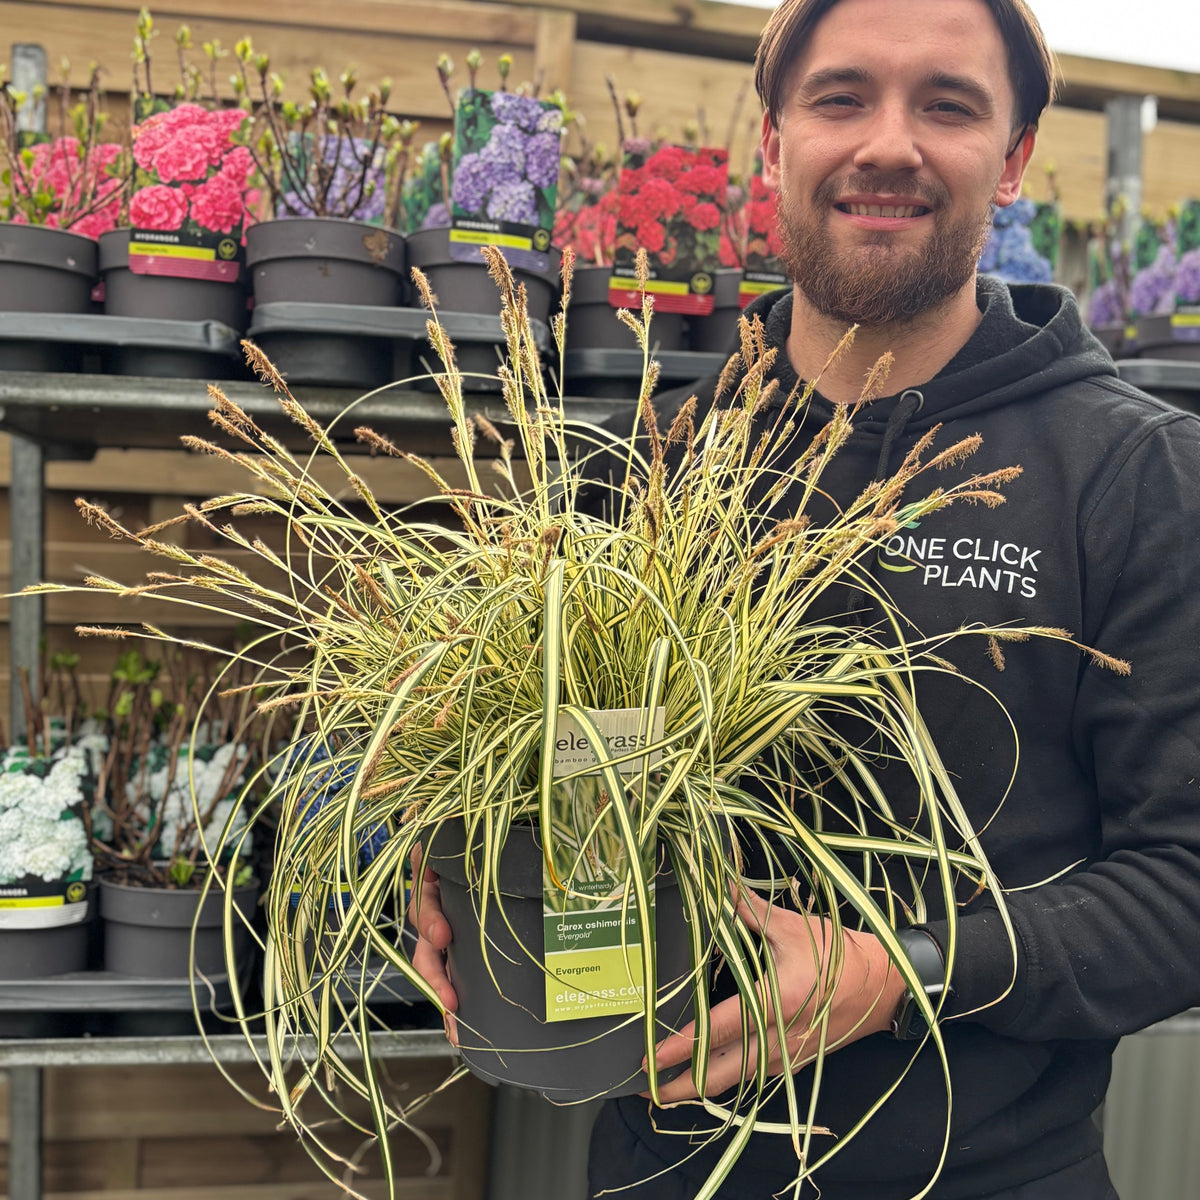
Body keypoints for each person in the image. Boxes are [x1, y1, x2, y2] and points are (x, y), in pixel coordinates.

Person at [410, 0, 1200, 1196]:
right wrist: (477, 892)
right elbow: (582, 777)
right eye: (842, 97)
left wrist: (904, 973)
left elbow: (1184, 881)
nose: (890, 142)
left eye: (948, 103)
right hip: (656, 1164)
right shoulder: (657, 463)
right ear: (774, 146)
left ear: (1017, 158)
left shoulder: (1136, 474)